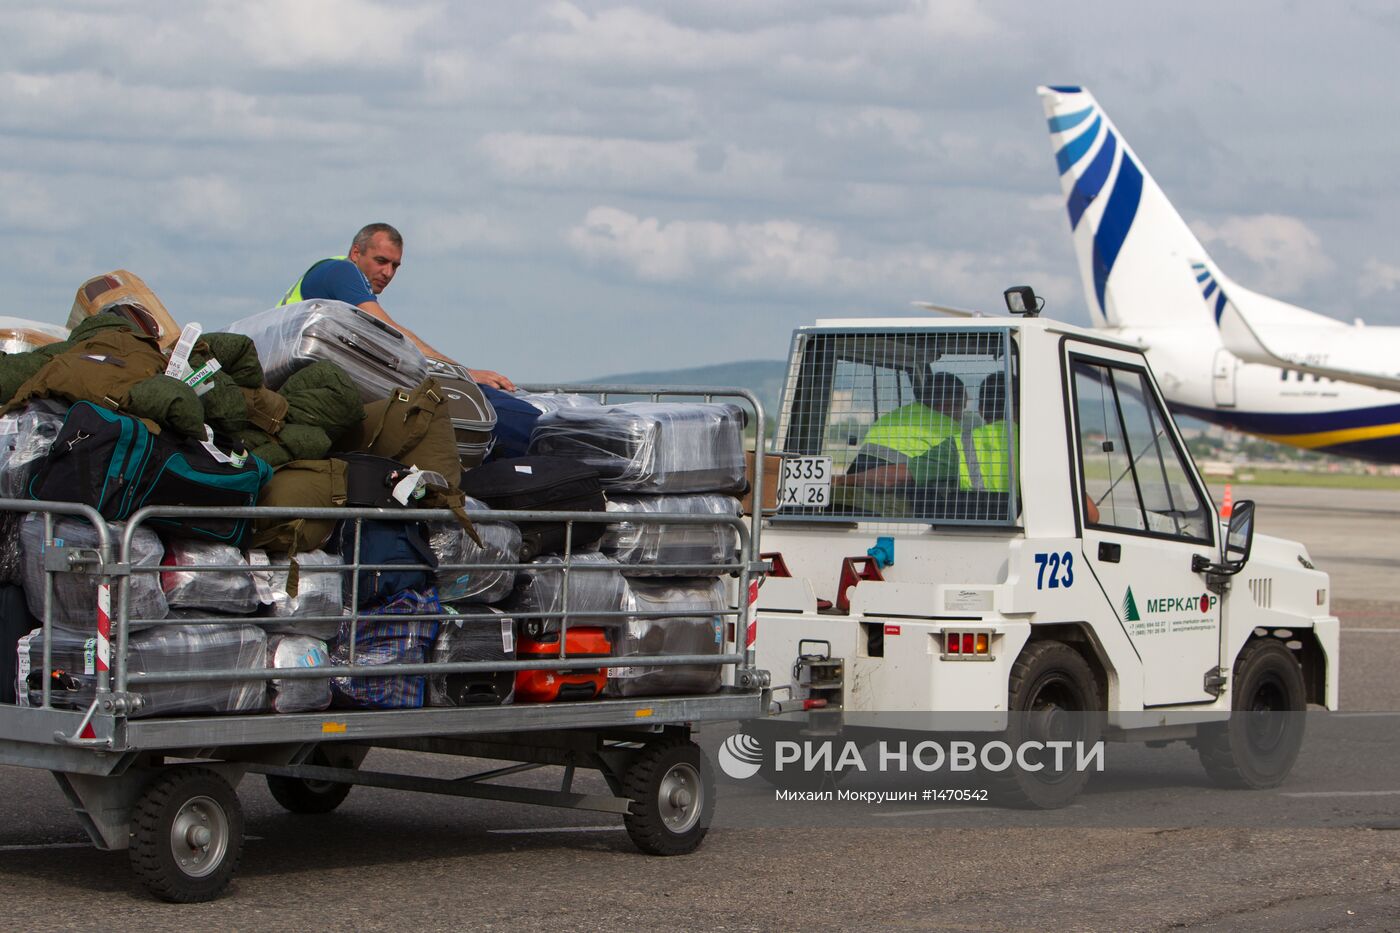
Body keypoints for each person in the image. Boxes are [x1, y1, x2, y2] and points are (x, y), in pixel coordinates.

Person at [279, 223, 515, 391]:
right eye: (381, 261)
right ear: (355, 253)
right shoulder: (343, 271)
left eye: (395, 266)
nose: (388, 273)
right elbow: (392, 334)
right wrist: (465, 374)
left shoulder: (335, 277)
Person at [838, 371, 974, 489]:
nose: (961, 416)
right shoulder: (953, 432)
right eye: (961, 408)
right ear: (946, 405)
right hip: (894, 488)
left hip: (855, 483)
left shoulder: (894, 417)